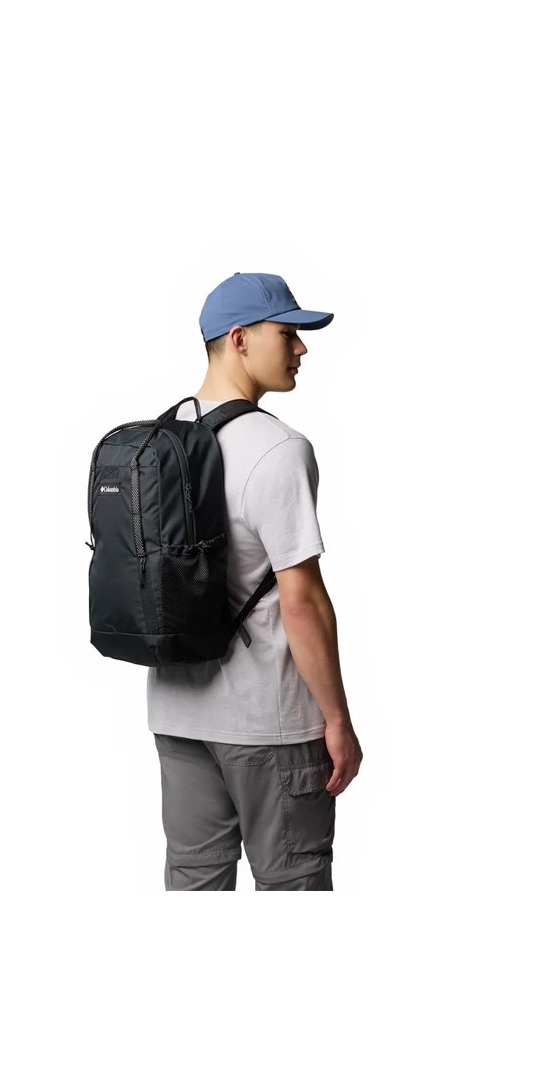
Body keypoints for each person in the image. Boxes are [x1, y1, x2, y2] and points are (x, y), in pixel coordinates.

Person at [146, 271, 363, 891]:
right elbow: (302, 601)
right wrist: (338, 720)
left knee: (194, 883)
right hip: (270, 723)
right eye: (287, 333)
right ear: (240, 339)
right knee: (293, 885)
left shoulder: (159, 436)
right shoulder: (278, 448)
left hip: (177, 714)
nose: (301, 348)